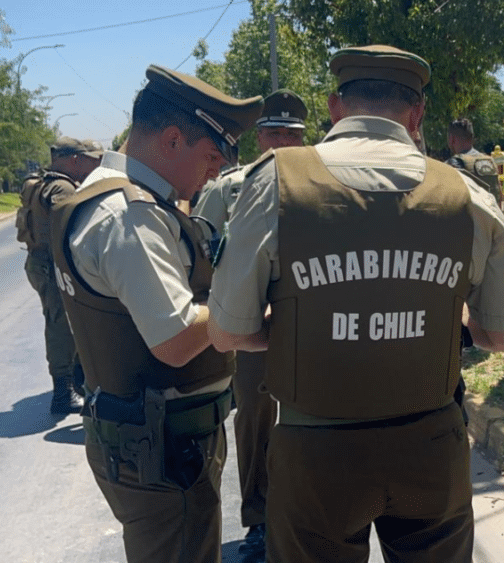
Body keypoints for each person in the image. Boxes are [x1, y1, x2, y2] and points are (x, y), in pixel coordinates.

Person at [207, 45, 504, 563]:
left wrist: (295, 326)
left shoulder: (273, 183)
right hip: (430, 447)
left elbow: (226, 333)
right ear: (418, 114)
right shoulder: (467, 196)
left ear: (336, 107)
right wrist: (447, 325)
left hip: (316, 455)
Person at [48, 65, 262, 563]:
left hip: (152, 442)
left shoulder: (115, 195)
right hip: (165, 453)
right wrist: (248, 309)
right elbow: (177, 337)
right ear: (171, 140)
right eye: (211, 155)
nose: (215, 172)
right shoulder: (129, 216)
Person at [192, 87, 308, 563]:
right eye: (273, 132)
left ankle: (306, 511)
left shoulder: (322, 179)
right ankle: (260, 519)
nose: (281, 141)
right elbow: (200, 253)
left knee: (313, 419)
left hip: (311, 325)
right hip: (254, 331)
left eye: (291, 133)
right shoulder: (228, 187)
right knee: (255, 423)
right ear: (259, 137)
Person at [16, 137, 103, 414]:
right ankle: (62, 392)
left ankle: (74, 381)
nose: (97, 164)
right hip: (53, 268)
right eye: (93, 159)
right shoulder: (62, 187)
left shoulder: (42, 181)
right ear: (75, 159)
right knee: (62, 326)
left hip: (39, 263)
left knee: (63, 322)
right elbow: (71, 229)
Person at [446, 117, 504, 203]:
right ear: (472, 138)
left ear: (452, 139)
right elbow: (499, 196)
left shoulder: (455, 162)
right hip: (493, 215)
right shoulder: (490, 161)